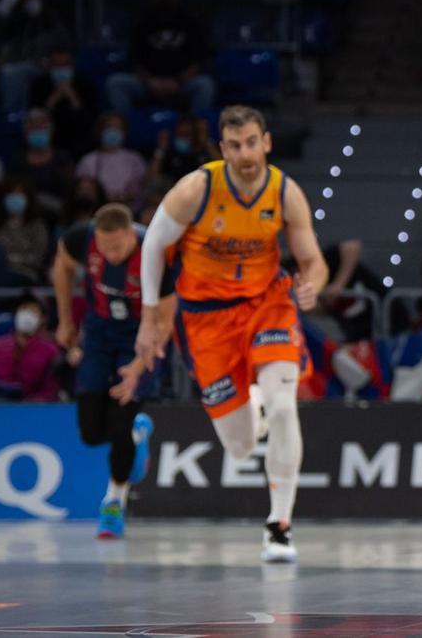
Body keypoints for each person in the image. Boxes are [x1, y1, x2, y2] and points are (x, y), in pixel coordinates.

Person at [134, 105, 327, 563]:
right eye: (236, 145)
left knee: (285, 407)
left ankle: (279, 526)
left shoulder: (285, 192)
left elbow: (311, 258)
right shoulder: (195, 190)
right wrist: (150, 317)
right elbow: (153, 248)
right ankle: (252, 405)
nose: (246, 154)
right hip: (206, 320)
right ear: (223, 149)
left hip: (268, 306)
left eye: (253, 143)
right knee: (239, 447)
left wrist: (313, 282)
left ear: (267, 143)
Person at [53, 203, 175, 538]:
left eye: (118, 247)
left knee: (121, 423)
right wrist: (65, 320)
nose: (111, 254)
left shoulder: (155, 251)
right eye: (105, 248)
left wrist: (139, 365)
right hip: (99, 331)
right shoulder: (81, 239)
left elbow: (166, 318)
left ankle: (113, 503)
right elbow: (62, 266)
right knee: (91, 432)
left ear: (130, 236)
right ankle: (137, 436)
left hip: (141, 335)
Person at [106, 0, 215, 116]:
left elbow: (198, 61)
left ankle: (194, 130)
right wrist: (150, 81)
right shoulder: (143, 23)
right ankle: (123, 127)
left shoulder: (191, 23)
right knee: (115, 82)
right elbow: (135, 60)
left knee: (205, 85)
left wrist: (178, 81)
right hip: (147, 84)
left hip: (181, 84)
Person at [0, 291, 59, 401]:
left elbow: (51, 390)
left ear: (43, 318)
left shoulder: (50, 351)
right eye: (23, 309)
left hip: (32, 411)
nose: (27, 314)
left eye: (33, 310)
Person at [0, 178, 50, 286]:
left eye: (19, 194)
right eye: (11, 194)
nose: (15, 197)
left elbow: (39, 258)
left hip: (23, 273)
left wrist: (12, 259)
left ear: (28, 197)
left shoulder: (37, 227)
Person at [29, 48, 98, 158]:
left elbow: (90, 120)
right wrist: (53, 99)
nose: (61, 69)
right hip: (50, 137)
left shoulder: (86, 84)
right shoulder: (39, 84)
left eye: (65, 65)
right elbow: (33, 120)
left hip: (78, 136)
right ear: (49, 66)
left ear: (72, 65)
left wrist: (73, 97)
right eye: (56, 65)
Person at [76, 112, 147, 207]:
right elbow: (82, 191)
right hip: (97, 211)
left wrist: (125, 197)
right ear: (100, 130)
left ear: (124, 131)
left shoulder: (135, 159)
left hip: (130, 211)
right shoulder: (88, 161)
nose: (113, 130)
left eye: (117, 127)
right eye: (109, 127)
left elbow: (143, 186)